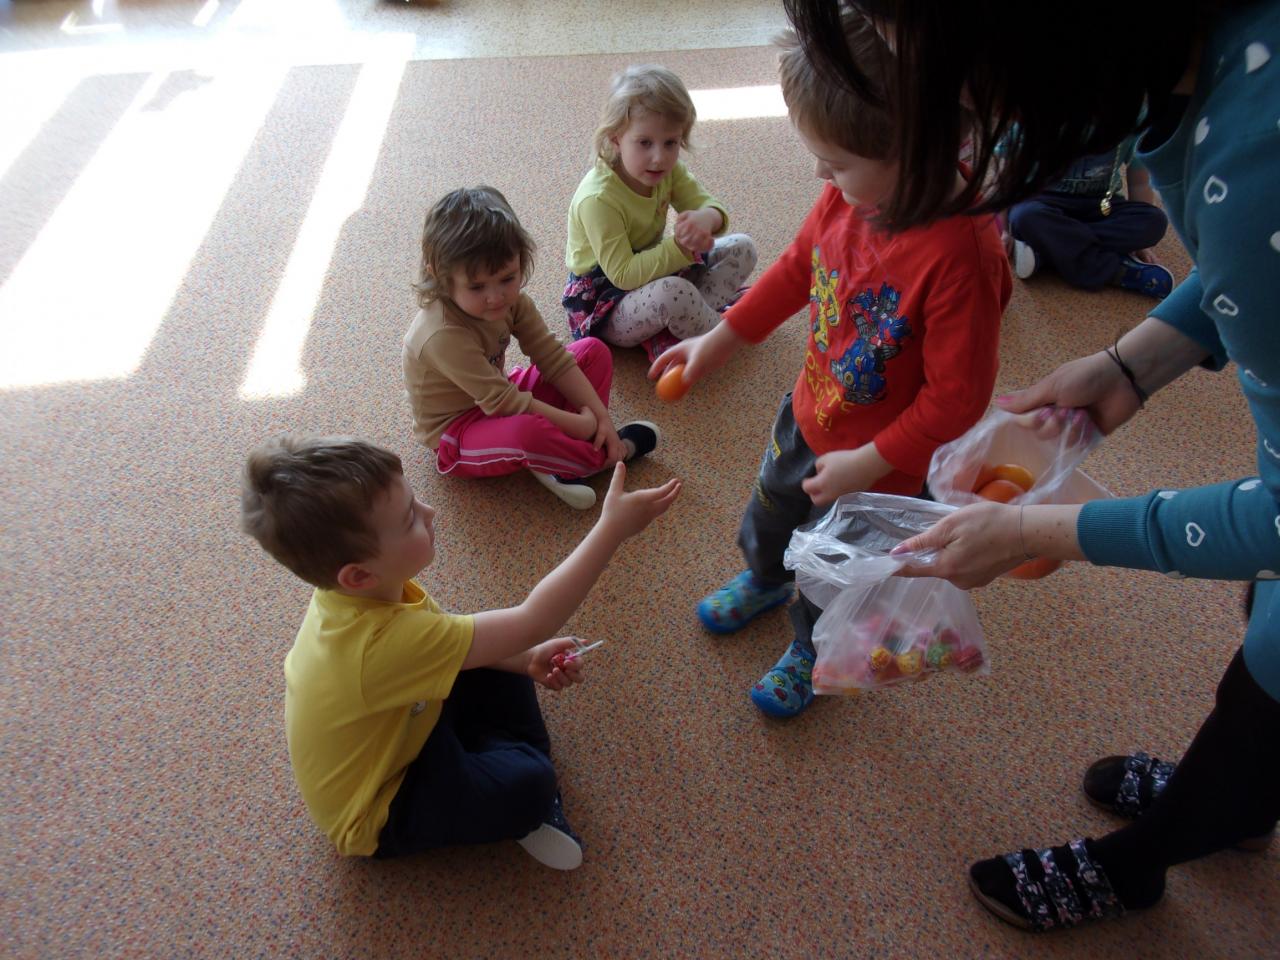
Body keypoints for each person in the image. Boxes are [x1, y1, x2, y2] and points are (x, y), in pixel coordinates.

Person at [783, 0, 1280, 933]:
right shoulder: (1224, 76)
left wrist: (1038, 530)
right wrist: (1135, 361)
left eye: (932, 62)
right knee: (1267, 651)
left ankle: (1149, 857)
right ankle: (1238, 802)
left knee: (1275, 665)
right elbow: (1241, 272)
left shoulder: (1258, 170)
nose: (951, 108)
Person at [649, 15, 1010, 719]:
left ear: (915, 149)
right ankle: (764, 578)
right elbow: (795, 269)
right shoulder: (852, 195)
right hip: (811, 409)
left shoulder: (961, 254)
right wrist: (717, 341)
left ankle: (813, 648)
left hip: (884, 468)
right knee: (770, 514)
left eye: (836, 162)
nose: (820, 174)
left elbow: (957, 401)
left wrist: (869, 462)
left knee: (833, 572)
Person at [240, 437, 681, 868]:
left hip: (402, 726)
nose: (430, 512)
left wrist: (525, 659)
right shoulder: (380, 643)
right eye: (410, 518)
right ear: (358, 574)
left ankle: (497, 757)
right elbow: (535, 620)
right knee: (532, 783)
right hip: (384, 803)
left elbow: (474, 638)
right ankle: (525, 788)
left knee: (503, 653)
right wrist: (610, 530)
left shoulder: (361, 596)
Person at [404, 186, 659, 510]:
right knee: (526, 432)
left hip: (500, 392)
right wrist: (579, 424)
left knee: (592, 351)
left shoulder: (513, 303)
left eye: (507, 278)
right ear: (439, 276)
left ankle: (563, 455)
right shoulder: (441, 335)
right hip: (457, 430)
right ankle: (595, 459)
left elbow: (552, 357)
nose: (496, 297)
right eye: (477, 287)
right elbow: (502, 402)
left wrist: (601, 418)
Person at [563, 64, 758, 364]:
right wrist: (679, 248)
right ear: (615, 138)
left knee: (743, 247)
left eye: (671, 143)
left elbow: (709, 206)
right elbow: (624, 275)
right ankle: (720, 331)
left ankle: (685, 324)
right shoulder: (598, 199)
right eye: (645, 143)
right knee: (674, 293)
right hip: (607, 298)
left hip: (656, 269)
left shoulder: (669, 170)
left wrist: (706, 219)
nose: (659, 158)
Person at [1004, 134, 1174, 298]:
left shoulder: (1134, 120)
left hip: (1101, 205)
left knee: (1154, 221)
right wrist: (1005, 230)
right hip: (1045, 204)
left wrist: (1142, 245)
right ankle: (1117, 271)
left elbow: (1140, 183)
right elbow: (1007, 176)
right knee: (1024, 216)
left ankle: (1046, 251)